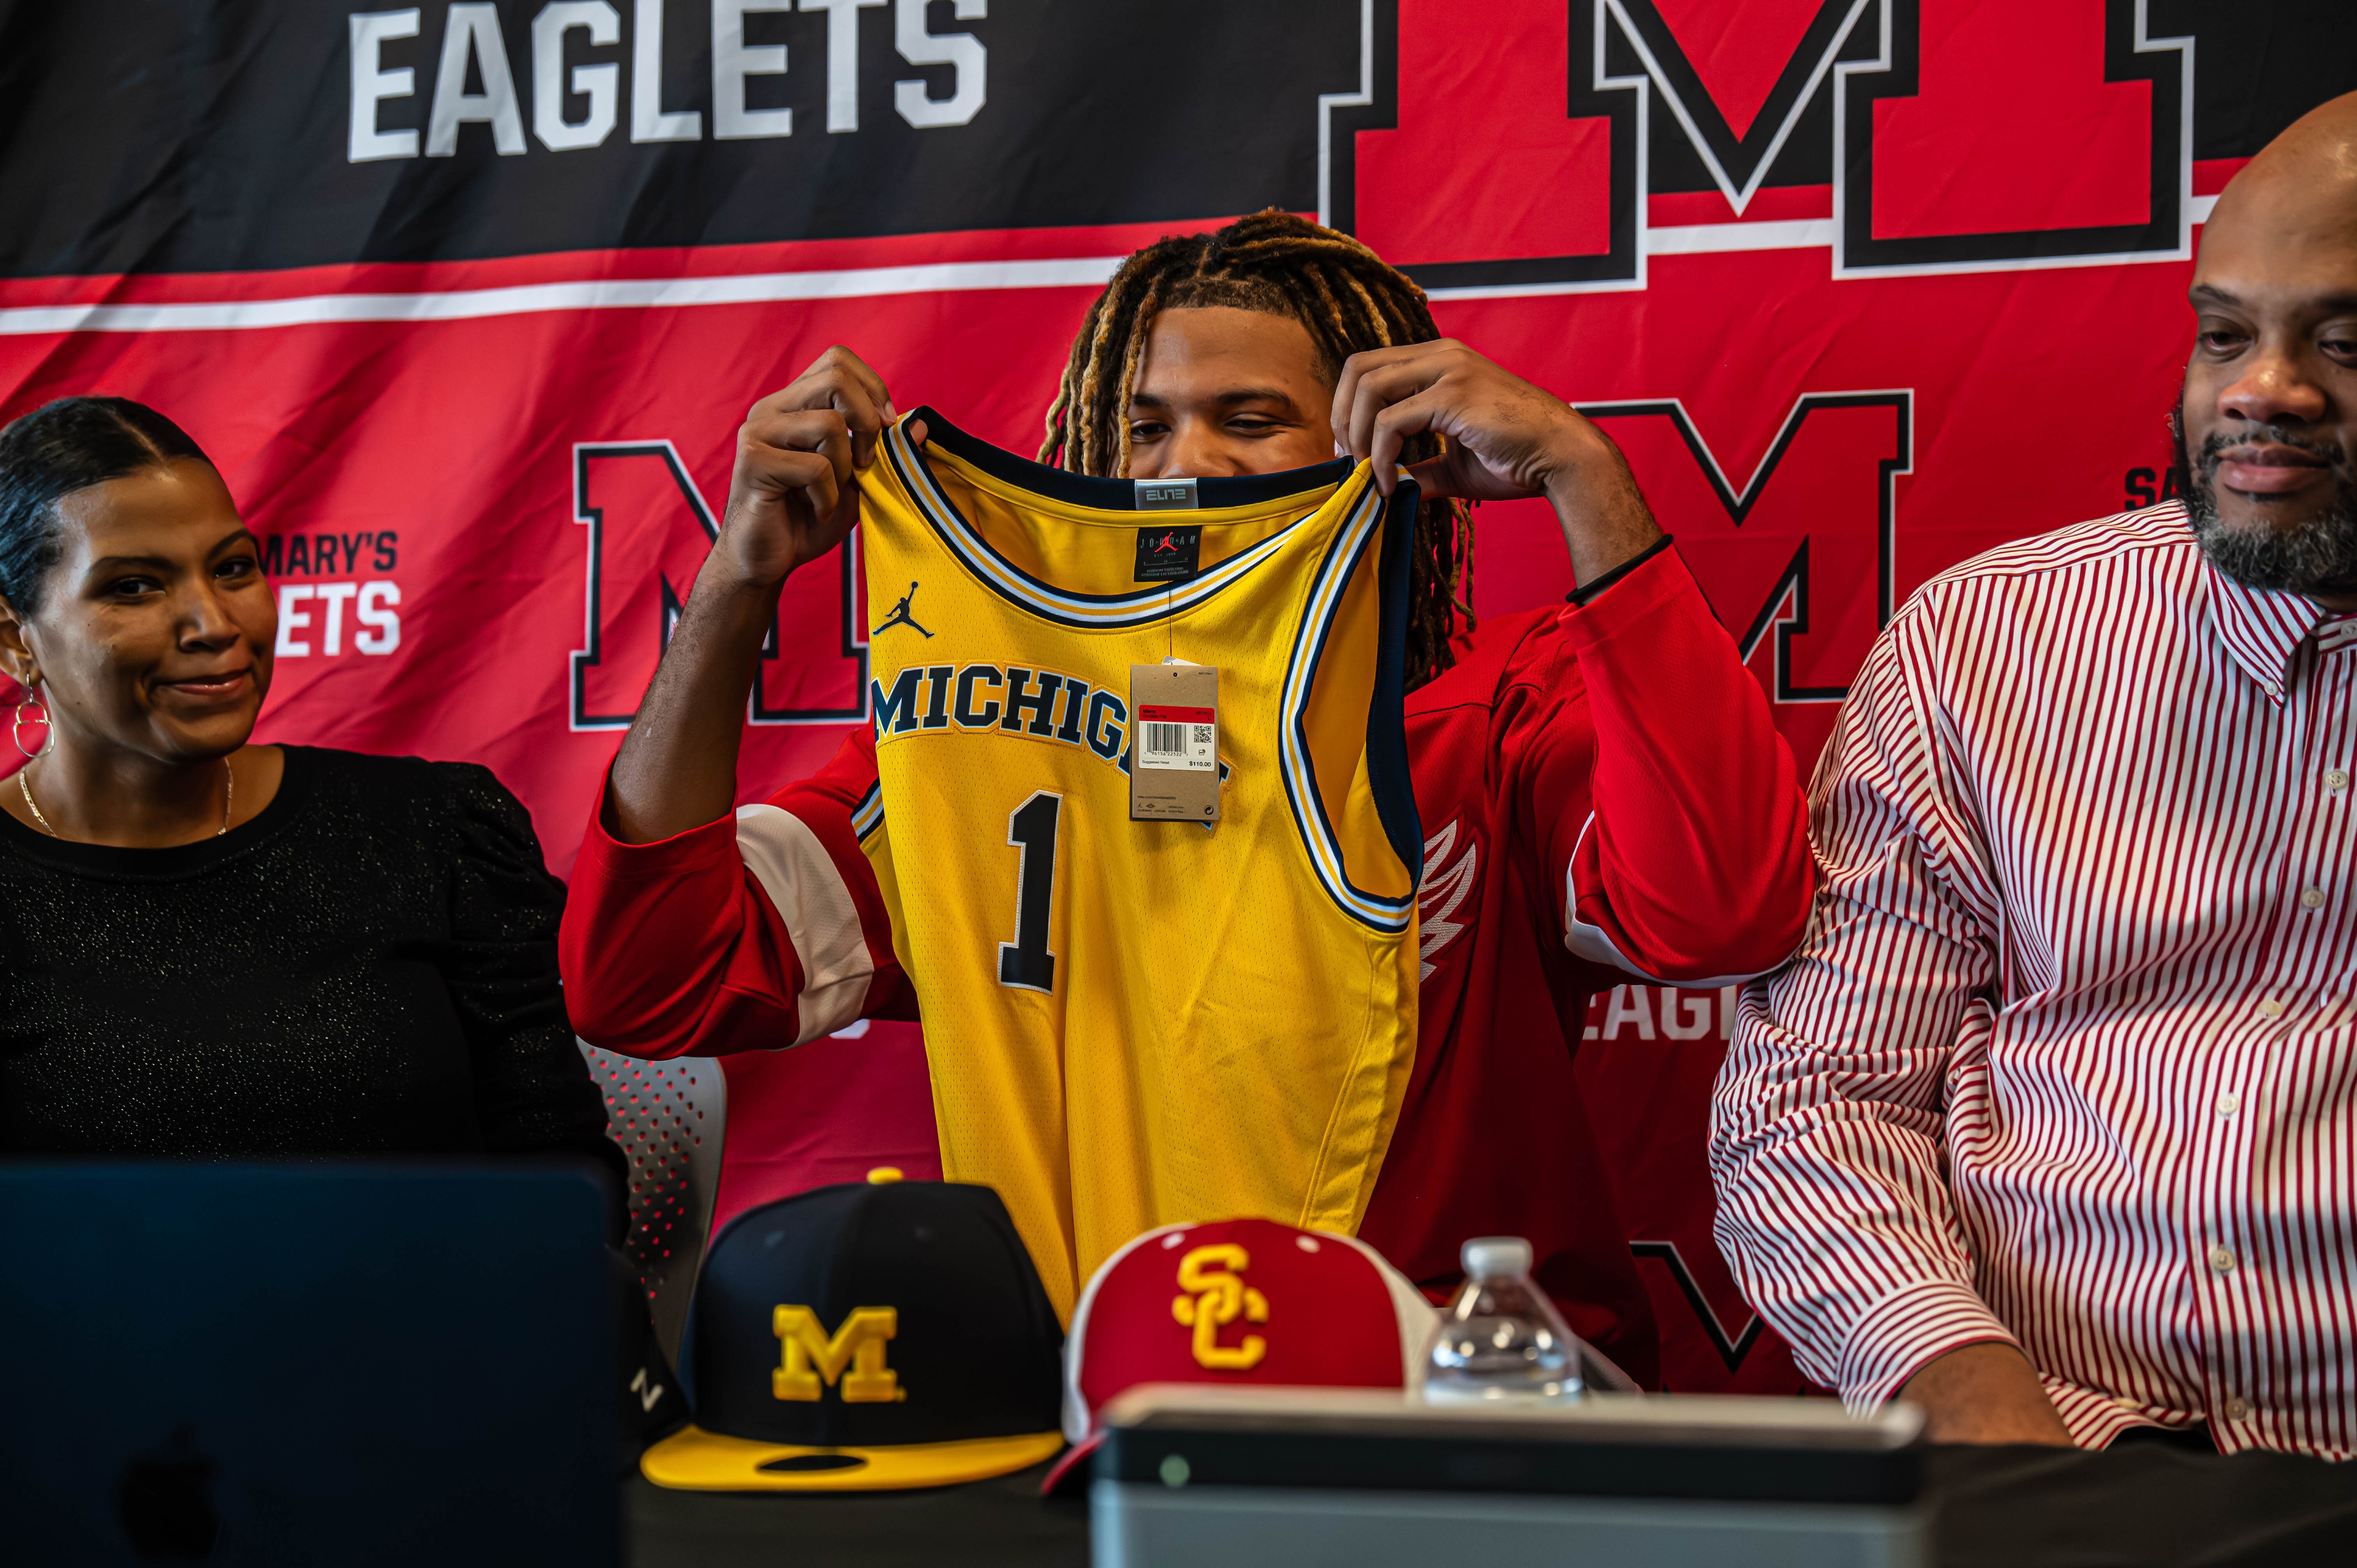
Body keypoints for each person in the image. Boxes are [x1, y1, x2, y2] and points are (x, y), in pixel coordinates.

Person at [564, 213, 1815, 1382]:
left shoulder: (1500, 714)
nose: (1187, 465)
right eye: (1145, 423)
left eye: (1252, 417)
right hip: (1099, 1413)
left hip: (1455, 1406)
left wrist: (1584, 474)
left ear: (1394, 436)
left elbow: (1724, 913)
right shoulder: (991, 735)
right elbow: (645, 983)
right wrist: (737, 583)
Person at [1710, 95, 2357, 1457]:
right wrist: (1988, 1423)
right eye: (2222, 333)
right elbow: (1814, 1102)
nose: (2260, 390)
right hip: (2050, 1445)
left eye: (2342, 341)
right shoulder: (1980, 644)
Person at [0, 396, 619, 1186]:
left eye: (232, 568)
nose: (213, 622)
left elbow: (564, 1182)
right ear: (16, 637)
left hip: (436, 1307)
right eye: (134, 587)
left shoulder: (433, 834)